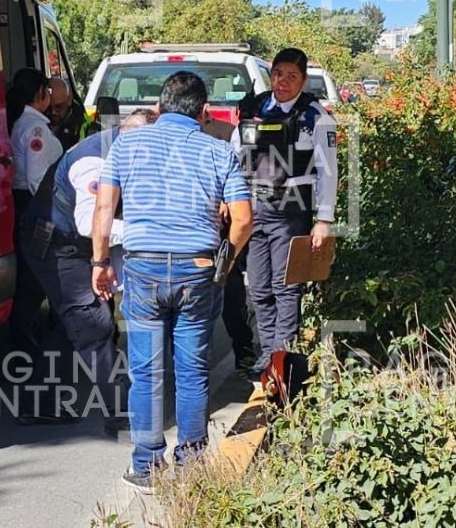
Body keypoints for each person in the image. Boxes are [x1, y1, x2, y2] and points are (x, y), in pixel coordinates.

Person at [92, 71, 253, 492]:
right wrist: (226, 262)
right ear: (203, 113)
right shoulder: (219, 151)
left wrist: (99, 261)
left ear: (159, 108)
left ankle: (146, 465)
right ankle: (192, 461)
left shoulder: (126, 144)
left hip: (143, 268)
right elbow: (243, 220)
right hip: (197, 269)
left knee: (145, 373)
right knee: (193, 371)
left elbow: (104, 206)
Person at [17, 109, 158, 432]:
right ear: (129, 136)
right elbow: (88, 223)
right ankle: (122, 412)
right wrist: (148, 230)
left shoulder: (125, 149)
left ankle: (42, 403)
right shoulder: (93, 162)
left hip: (76, 245)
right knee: (92, 322)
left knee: (73, 322)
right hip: (58, 243)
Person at [232, 48, 338, 381]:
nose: (283, 82)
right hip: (255, 209)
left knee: (286, 287)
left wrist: (324, 220)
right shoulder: (255, 108)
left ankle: (282, 362)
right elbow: (236, 157)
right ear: (271, 74)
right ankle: (267, 354)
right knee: (259, 288)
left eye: (292, 76)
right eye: (278, 74)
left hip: (292, 210)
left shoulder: (315, 117)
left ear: (304, 80)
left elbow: (328, 171)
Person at [6, 68, 64, 362]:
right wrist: (52, 214)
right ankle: (24, 340)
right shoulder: (35, 129)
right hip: (36, 207)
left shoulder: (30, 123)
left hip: (31, 205)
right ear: (40, 93)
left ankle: (26, 335)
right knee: (33, 275)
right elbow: (37, 178)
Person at [200, 112, 258, 373]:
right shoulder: (164, 140)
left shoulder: (225, 135)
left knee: (231, 293)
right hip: (190, 238)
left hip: (222, 231)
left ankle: (243, 351)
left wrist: (224, 199)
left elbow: (239, 176)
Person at [48, 77, 86, 151]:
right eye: (48, 107)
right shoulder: (38, 121)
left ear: (69, 100)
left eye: (58, 106)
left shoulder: (86, 127)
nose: (53, 112)